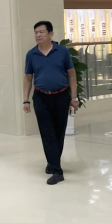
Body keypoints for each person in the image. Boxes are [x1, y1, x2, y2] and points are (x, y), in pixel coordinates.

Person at [23, 21, 78, 186]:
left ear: (51, 34)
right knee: (47, 133)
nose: (38, 35)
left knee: (59, 132)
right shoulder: (31, 54)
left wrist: (74, 97)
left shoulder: (62, 52)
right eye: (36, 32)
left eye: (41, 32)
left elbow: (72, 74)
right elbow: (28, 78)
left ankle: (53, 162)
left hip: (61, 96)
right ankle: (56, 170)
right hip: (41, 97)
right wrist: (25, 100)